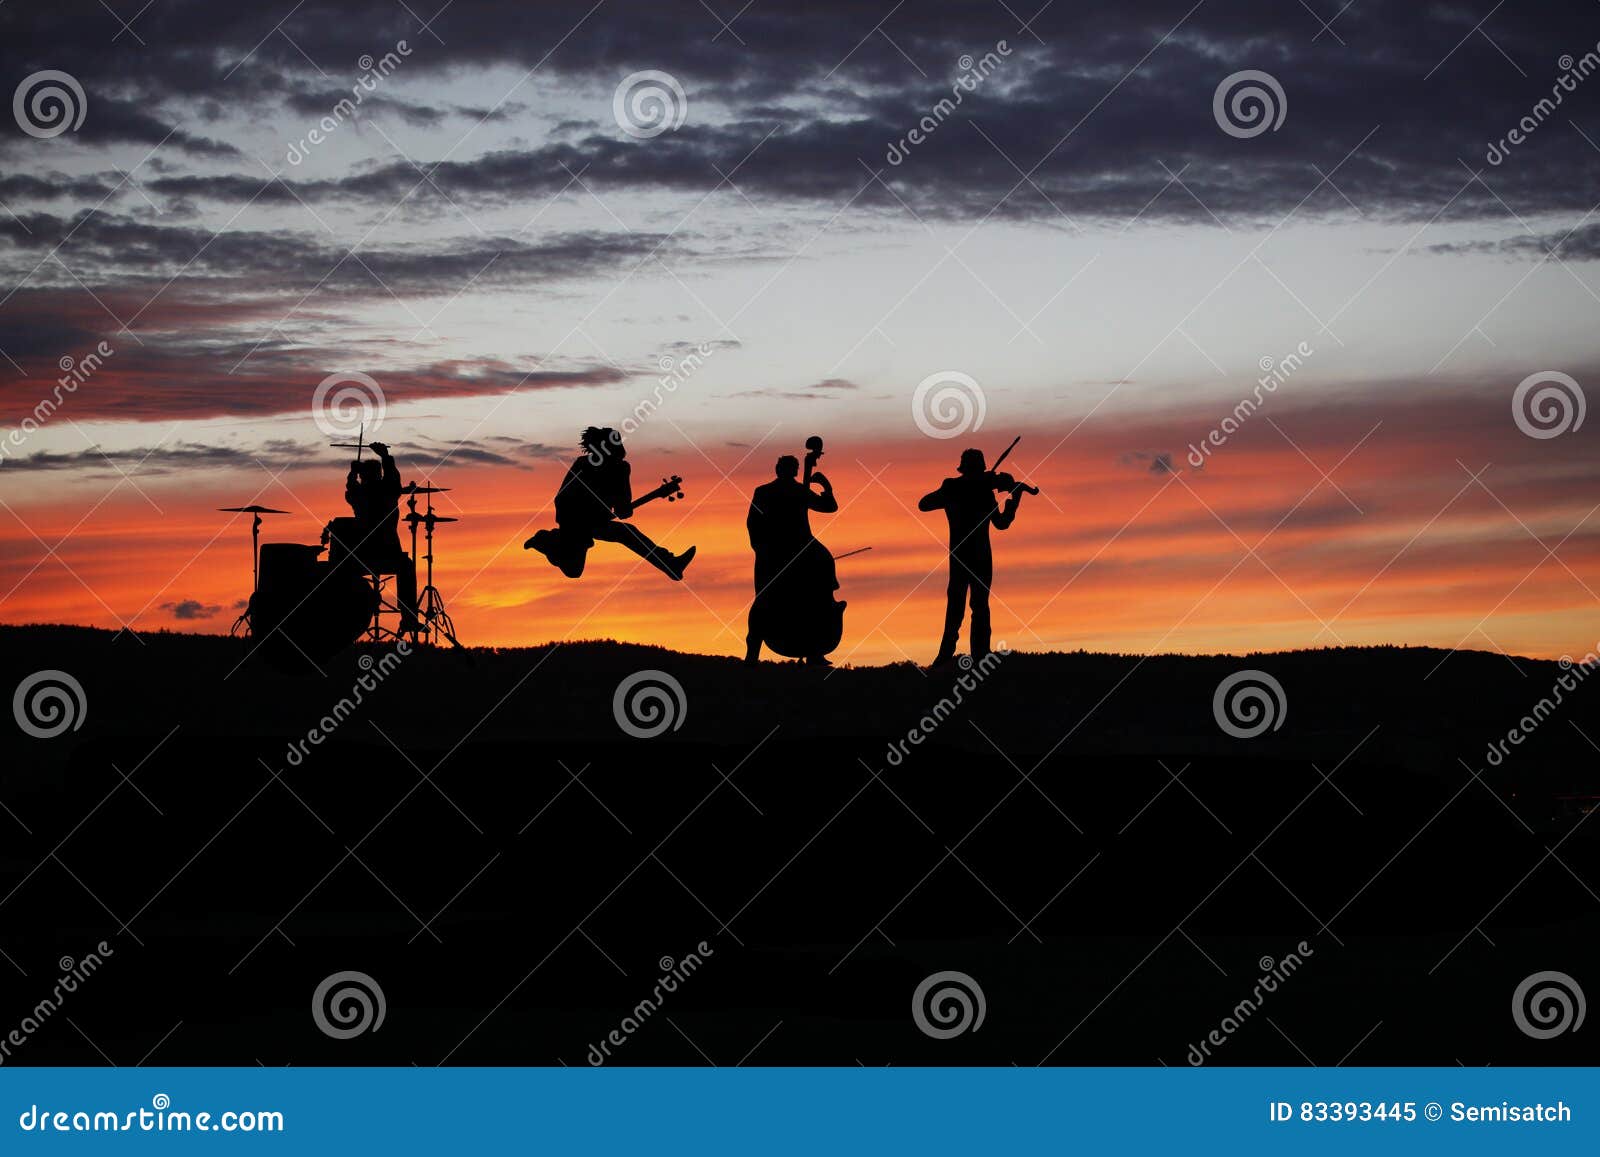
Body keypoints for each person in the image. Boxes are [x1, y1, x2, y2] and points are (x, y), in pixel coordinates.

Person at [523, 428, 696, 580]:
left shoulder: (620, 469)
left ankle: (671, 565)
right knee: (620, 537)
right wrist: (576, 521)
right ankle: (546, 540)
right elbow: (563, 498)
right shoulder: (584, 465)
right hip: (573, 521)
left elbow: (623, 510)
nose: (620, 447)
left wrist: (619, 508)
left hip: (592, 523)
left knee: (575, 570)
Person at [918, 447, 1025, 667]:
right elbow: (923, 504)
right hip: (979, 556)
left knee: (962, 605)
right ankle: (975, 656)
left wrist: (1012, 499)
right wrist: (1013, 501)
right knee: (975, 606)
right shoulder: (960, 487)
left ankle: (950, 656)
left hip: (960, 555)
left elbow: (1000, 523)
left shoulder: (973, 490)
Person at [745, 450, 841, 665]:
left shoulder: (765, 491)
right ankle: (814, 651)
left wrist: (761, 549)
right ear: (789, 471)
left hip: (771, 553)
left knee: (764, 601)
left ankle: (753, 656)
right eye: (791, 469)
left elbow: (752, 523)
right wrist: (826, 488)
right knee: (807, 594)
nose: (791, 473)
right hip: (785, 550)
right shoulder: (795, 491)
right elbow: (829, 507)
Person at [344, 441, 420, 636]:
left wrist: (353, 472)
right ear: (379, 474)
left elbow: (351, 488)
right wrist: (385, 456)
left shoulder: (359, 494)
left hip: (361, 556)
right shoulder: (388, 492)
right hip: (386, 554)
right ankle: (409, 618)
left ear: (362, 476)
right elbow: (393, 480)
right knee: (407, 567)